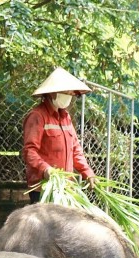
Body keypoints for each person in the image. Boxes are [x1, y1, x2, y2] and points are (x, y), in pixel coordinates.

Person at [22, 67, 97, 203]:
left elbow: (76, 150)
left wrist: (88, 173)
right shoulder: (37, 116)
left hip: (66, 188)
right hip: (44, 189)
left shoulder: (65, 117)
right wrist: (46, 169)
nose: (69, 95)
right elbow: (30, 152)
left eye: (71, 92)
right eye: (66, 92)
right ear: (52, 93)